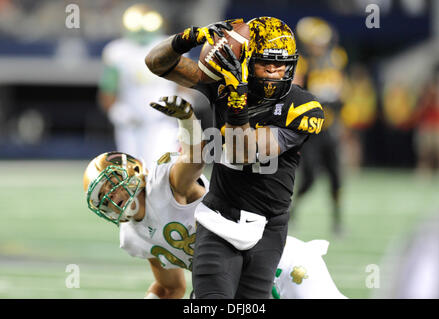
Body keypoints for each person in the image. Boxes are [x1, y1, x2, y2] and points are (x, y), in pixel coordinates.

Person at [83, 96, 345, 299]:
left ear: (134, 172)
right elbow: (169, 287)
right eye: (103, 196)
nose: (112, 197)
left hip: (282, 265)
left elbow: (196, 157)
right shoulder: (132, 237)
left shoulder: (165, 184)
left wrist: (187, 120)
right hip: (231, 282)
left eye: (113, 185)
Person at [145, 17, 325, 298]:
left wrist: (236, 97)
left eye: (282, 65)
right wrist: (188, 38)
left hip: (268, 227)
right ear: (245, 59)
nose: (275, 72)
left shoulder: (302, 107)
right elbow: (157, 63)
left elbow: (245, 153)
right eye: (266, 63)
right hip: (219, 217)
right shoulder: (221, 83)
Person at [98, 3, 181, 164]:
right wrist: (117, 111)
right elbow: (107, 89)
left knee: (163, 170)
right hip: (131, 122)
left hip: (162, 121)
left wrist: (181, 107)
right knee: (133, 171)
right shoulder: (117, 51)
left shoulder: (171, 46)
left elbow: (185, 84)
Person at [291, 17, 346, 235]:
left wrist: (337, 101)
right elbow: (297, 92)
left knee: (336, 177)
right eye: (316, 43)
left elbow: (341, 90)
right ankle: (293, 210)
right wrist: (320, 100)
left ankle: (338, 221)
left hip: (330, 127)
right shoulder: (304, 64)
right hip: (311, 128)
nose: (319, 47)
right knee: (311, 176)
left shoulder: (335, 60)